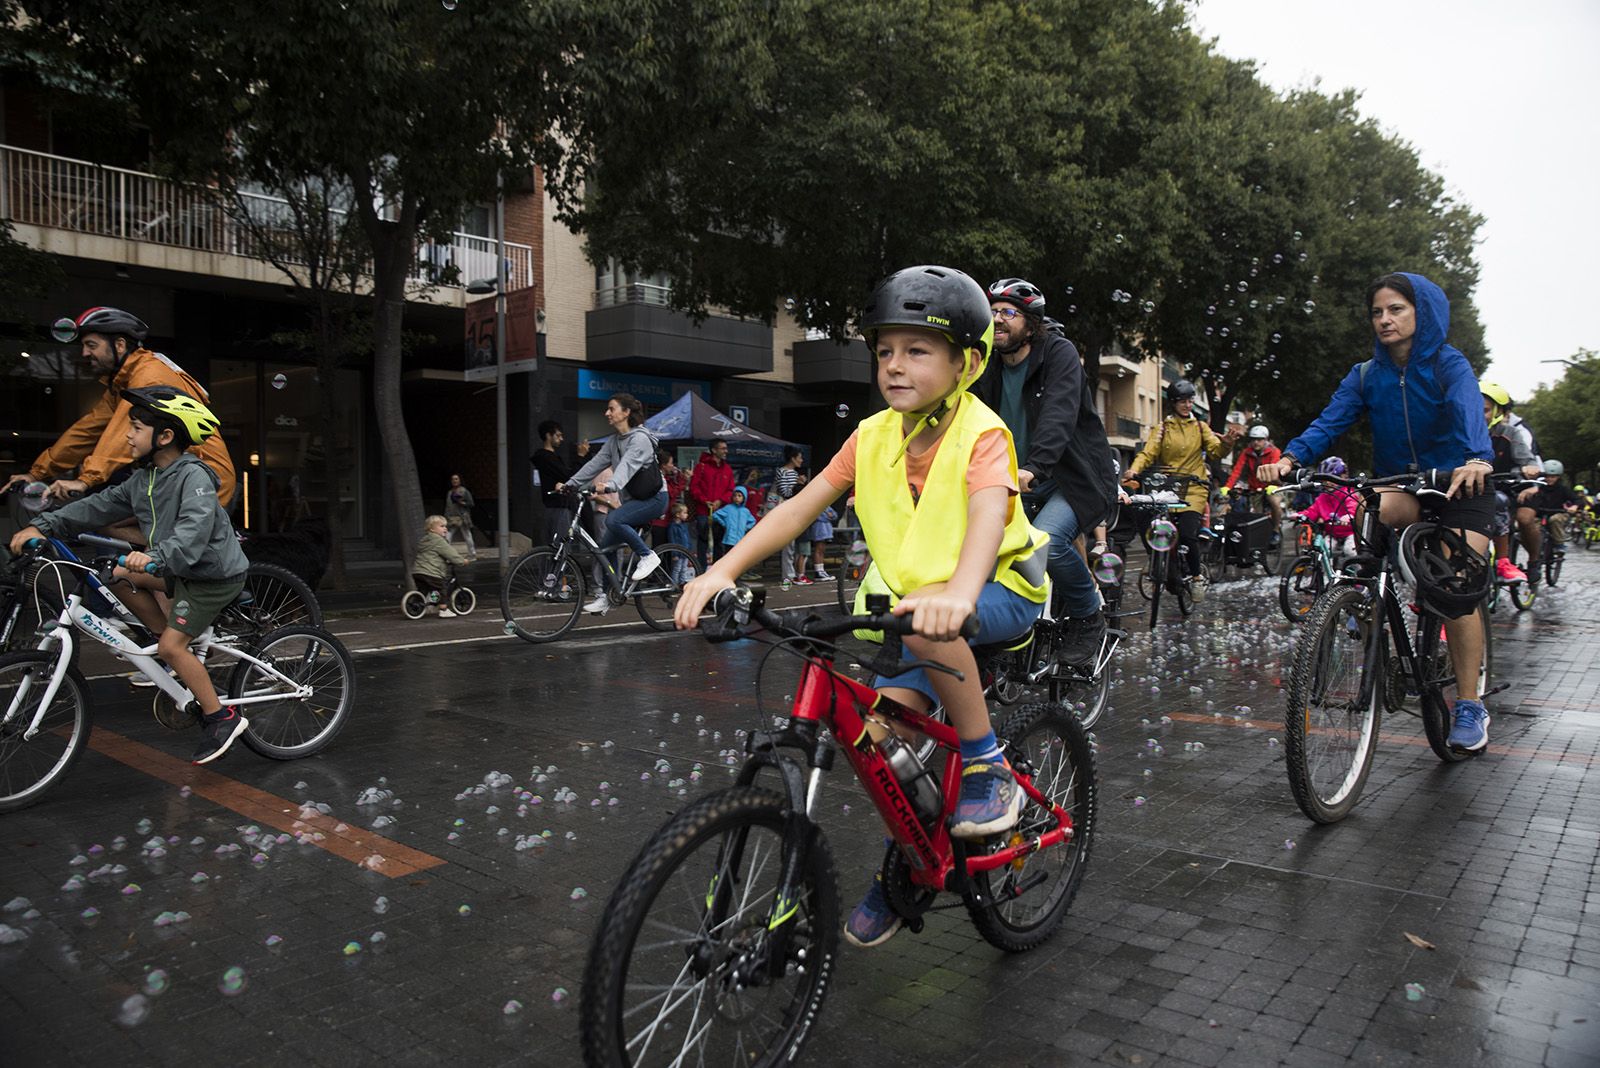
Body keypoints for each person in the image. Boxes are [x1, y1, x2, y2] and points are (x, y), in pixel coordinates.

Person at [673, 265, 1051, 949]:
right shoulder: (871, 436)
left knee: (925, 623)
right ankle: (910, 866)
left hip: (996, 593)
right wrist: (719, 571)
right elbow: (795, 509)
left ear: (966, 362)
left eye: (917, 351)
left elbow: (990, 518)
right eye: (884, 351)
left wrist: (959, 594)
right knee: (888, 749)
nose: (894, 366)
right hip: (917, 612)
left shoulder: (982, 432)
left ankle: (990, 766)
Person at [1263, 271, 1495, 752]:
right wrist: (1290, 458)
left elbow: (1469, 409)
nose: (1385, 319)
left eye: (1397, 309)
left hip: (1459, 484)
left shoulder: (1449, 364)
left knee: (1456, 589)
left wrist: (1476, 458)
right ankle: (1367, 607)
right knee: (1368, 515)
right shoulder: (1366, 374)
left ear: (1421, 313)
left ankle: (1470, 703)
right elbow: (1332, 420)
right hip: (1405, 485)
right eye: (1377, 312)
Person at [8, 386, 251, 764]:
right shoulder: (145, 479)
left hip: (210, 575)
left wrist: (154, 556)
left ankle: (221, 716)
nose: (128, 434)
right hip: (175, 567)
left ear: (165, 436)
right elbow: (97, 506)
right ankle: (170, 642)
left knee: (172, 645)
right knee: (116, 577)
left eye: (136, 427)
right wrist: (45, 525)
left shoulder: (195, 475)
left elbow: (194, 528)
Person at [4, 307, 238, 542]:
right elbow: (86, 431)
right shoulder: (123, 384)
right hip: (170, 480)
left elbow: (118, 437)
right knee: (112, 527)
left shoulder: (148, 377)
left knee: (139, 547)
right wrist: (37, 473)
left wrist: (84, 480)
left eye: (92, 345)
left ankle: (167, 565)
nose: (85, 353)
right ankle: (154, 565)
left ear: (119, 345)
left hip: (201, 482)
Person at [976, 279, 1117, 668]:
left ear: (1031, 322)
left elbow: (1059, 412)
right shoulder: (985, 362)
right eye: (992, 311)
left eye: (1008, 312)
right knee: (977, 550)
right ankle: (1002, 633)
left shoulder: (1058, 353)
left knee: (1050, 543)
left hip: (1070, 478)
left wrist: (1034, 467)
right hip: (1010, 479)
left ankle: (1089, 616)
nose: (997, 319)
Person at [1125, 381, 1242, 597]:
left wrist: (1226, 443)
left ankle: (1197, 577)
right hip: (1168, 489)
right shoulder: (1162, 428)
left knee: (1188, 535)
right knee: (1156, 529)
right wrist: (1133, 470)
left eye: (1190, 401)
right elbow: (1148, 453)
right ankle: (1168, 570)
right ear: (1173, 403)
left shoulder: (1200, 427)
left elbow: (1215, 452)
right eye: (1182, 401)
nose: (1187, 405)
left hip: (1194, 488)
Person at [557, 393, 668, 614]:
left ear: (626, 412)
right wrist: (571, 484)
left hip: (655, 499)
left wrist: (608, 486)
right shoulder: (614, 441)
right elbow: (595, 464)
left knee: (614, 519)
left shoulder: (641, 439)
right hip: (634, 500)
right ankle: (608, 596)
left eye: (611, 409)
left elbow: (627, 466)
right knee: (605, 548)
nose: (607, 413)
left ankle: (648, 556)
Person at [1480, 382, 1538, 582]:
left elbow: (1526, 457)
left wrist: (1529, 467)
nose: (1480, 414)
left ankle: (1503, 561)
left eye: (1486, 410)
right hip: (1469, 489)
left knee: (1498, 502)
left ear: (1497, 411)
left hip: (1504, 488)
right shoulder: (1461, 431)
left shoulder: (1511, 433)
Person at [1222, 425, 1284, 543]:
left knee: (1274, 503)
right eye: (1253, 439)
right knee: (1256, 515)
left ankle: (1275, 530)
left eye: (1259, 439)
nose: (1256, 442)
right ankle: (1258, 539)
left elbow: (1274, 469)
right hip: (1255, 487)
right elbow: (1237, 470)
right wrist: (1227, 487)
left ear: (1266, 439)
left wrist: (1273, 485)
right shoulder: (1247, 452)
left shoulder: (1274, 451)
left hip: (1273, 486)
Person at [687, 439, 736, 570]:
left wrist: (720, 501)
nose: (726, 451)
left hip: (721, 512)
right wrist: (704, 501)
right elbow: (694, 488)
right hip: (703, 511)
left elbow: (731, 489)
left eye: (726, 448)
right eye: (723, 448)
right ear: (714, 450)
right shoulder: (701, 466)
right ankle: (701, 571)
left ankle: (717, 571)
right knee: (703, 542)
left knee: (719, 542)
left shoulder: (727, 469)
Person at [1298, 457, 1358, 556]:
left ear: (1342, 477)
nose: (1328, 483)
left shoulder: (1347, 493)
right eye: (1325, 480)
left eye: (1332, 479)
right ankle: (1327, 571)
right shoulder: (1322, 497)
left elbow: (1353, 505)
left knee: (1350, 551)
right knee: (1322, 551)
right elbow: (1313, 511)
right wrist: (1300, 515)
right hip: (1332, 534)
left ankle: (1358, 571)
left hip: (1350, 532)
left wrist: (1349, 516)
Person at [413, 514, 467, 617]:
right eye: (442, 526)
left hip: (418, 571)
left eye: (445, 526)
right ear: (432, 529)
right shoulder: (439, 541)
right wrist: (462, 561)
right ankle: (443, 609)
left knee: (424, 590)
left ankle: (420, 605)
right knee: (441, 588)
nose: (445, 529)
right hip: (431, 572)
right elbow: (451, 553)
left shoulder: (424, 540)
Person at [1526, 459, 1582, 558]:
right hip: (1540, 514)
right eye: (1547, 476)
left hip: (1558, 512)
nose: (1550, 479)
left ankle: (1559, 544)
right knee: (1531, 525)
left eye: (1553, 477)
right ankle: (1535, 547)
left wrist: (1574, 506)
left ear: (1558, 477)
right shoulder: (1538, 488)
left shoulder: (1563, 489)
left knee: (1555, 520)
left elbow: (1576, 499)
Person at [531, 420, 574, 546]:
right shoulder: (548, 458)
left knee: (551, 546)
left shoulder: (543, 458)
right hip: (559, 505)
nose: (562, 439)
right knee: (561, 546)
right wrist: (580, 457)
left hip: (550, 505)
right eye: (558, 435)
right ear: (548, 436)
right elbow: (568, 476)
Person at [772, 446, 808, 586]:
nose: (801, 460)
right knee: (788, 545)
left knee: (790, 545)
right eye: (799, 457)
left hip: (793, 510)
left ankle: (790, 574)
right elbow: (785, 493)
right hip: (787, 510)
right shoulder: (785, 472)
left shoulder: (792, 473)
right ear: (793, 458)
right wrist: (798, 484)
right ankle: (788, 575)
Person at [650, 449, 690, 547]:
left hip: (667, 519)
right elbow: (671, 493)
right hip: (659, 521)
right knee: (659, 548)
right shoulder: (659, 479)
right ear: (663, 465)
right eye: (671, 463)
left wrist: (679, 477)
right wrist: (683, 481)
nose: (673, 466)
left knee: (668, 550)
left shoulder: (668, 477)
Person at [797, 505, 837, 582]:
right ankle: (818, 571)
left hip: (827, 532)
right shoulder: (815, 505)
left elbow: (834, 515)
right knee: (818, 550)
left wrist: (828, 516)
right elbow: (818, 516)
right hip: (818, 530)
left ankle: (821, 570)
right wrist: (828, 516)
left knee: (822, 550)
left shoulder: (827, 505)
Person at [711, 486, 758, 551]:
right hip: (729, 539)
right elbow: (715, 515)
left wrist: (745, 528)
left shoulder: (746, 511)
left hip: (740, 539)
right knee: (728, 554)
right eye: (735, 495)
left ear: (744, 498)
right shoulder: (728, 508)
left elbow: (753, 521)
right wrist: (724, 523)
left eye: (739, 496)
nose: (736, 498)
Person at [443, 474, 477, 560]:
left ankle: (472, 554)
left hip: (462, 516)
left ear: (460, 480)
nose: (454, 481)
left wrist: (461, 503)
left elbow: (471, 503)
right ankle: (447, 554)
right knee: (448, 535)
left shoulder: (464, 491)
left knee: (467, 535)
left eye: (456, 479)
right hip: (452, 517)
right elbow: (448, 506)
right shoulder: (450, 492)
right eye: (453, 479)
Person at [664, 501, 695, 582]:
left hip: (685, 552)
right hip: (678, 553)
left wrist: (690, 550)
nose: (687, 514)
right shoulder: (672, 527)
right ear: (678, 515)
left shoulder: (684, 525)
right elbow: (672, 541)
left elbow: (688, 538)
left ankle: (682, 583)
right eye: (685, 513)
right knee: (677, 569)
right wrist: (674, 554)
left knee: (684, 568)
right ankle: (674, 584)